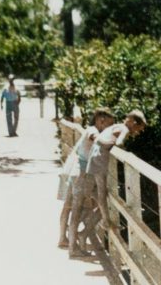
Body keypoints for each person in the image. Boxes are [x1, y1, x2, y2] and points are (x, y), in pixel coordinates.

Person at [58, 108, 115, 258]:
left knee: (83, 207)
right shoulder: (92, 130)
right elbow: (99, 140)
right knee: (76, 210)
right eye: (109, 124)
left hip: (80, 174)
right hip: (81, 175)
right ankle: (73, 248)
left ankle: (76, 240)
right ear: (100, 120)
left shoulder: (93, 129)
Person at [86, 110, 147, 231]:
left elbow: (103, 137)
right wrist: (117, 146)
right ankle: (105, 221)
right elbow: (119, 143)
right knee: (102, 191)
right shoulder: (124, 129)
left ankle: (102, 219)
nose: (138, 132)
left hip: (95, 154)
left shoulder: (116, 125)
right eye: (139, 128)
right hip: (100, 158)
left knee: (98, 190)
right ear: (133, 123)